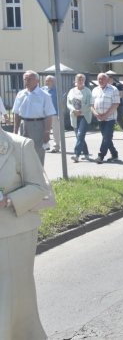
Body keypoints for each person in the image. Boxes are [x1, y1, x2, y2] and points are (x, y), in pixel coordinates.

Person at [0, 128, 51, 340]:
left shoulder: (20, 145)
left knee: (11, 294)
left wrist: (8, 199)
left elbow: (39, 187)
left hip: (15, 231)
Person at [12, 70, 56, 164]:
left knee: (38, 152)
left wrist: (47, 132)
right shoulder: (21, 94)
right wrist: (15, 130)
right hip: (24, 124)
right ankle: (27, 176)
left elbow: (49, 115)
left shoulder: (44, 95)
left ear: (37, 81)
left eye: (29, 79)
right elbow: (16, 113)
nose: (27, 81)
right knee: (23, 151)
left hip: (38, 125)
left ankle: (39, 176)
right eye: (25, 79)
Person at [91, 73, 120, 164]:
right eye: (99, 79)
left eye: (103, 79)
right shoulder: (95, 90)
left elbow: (116, 104)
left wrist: (105, 115)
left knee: (106, 137)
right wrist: (96, 114)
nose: (101, 80)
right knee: (106, 137)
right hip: (99, 118)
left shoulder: (113, 89)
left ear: (107, 80)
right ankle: (114, 154)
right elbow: (91, 105)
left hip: (110, 118)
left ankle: (101, 156)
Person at [66, 74, 93, 162]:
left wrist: (80, 111)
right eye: (78, 79)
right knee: (79, 137)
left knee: (80, 135)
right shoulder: (71, 91)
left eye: (82, 80)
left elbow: (89, 104)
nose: (80, 81)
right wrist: (74, 110)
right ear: (75, 81)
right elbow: (68, 103)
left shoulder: (87, 91)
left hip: (84, 116)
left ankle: (76, 154)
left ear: (84, 81)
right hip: (74, 116)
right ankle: (86, 154)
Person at [107, 74, 123, 139]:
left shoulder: (117, 85)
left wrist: (112, 99)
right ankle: (110, 134)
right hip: (109, 105)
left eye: (109, 79)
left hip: (119, 105)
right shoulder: (106, 87)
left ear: (112, 79)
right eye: (107, 79)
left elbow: (121, 95)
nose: (108, 81)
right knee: (110, 119)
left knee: (119, 118)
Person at [42, 75, 61, 153]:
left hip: (54, 113)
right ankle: (46, 145)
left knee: (56, 131)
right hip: (44, 114)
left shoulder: (57, 90)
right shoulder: (42, 90)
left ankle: (56, 147)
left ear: (53, 82)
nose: (46, 82)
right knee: (44, 130)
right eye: (46, 80)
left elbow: (60, 103)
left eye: (48, 80)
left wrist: (60, 114)